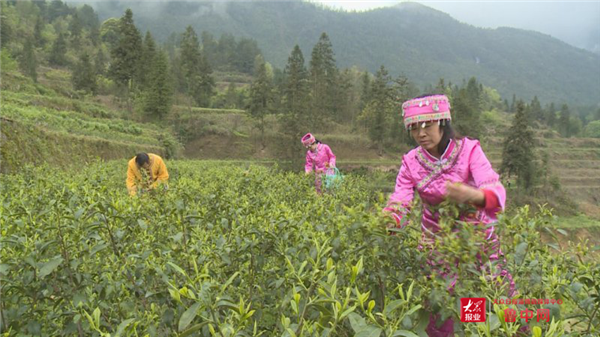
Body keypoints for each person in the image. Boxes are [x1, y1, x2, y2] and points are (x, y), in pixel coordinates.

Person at [382, 94, 514, 336]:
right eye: (414, 128)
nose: (420, 133)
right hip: (436, 248)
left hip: (474, 246)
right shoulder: (411, 162)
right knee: (441, 308)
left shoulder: (469, 151)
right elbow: (400, 200)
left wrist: (473, 196)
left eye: (427, 126)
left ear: (442, 123)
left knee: (477, 303)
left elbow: (492, 186)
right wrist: (389, 219)